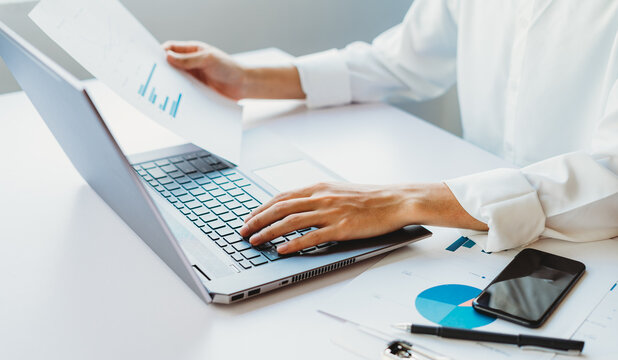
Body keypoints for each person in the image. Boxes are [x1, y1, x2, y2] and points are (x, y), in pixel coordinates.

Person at [163, 0, 618, 255]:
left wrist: (403, 201)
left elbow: (612, 177)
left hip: (590, 246)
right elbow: (402, 59)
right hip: (477, 232)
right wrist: (249, 79)